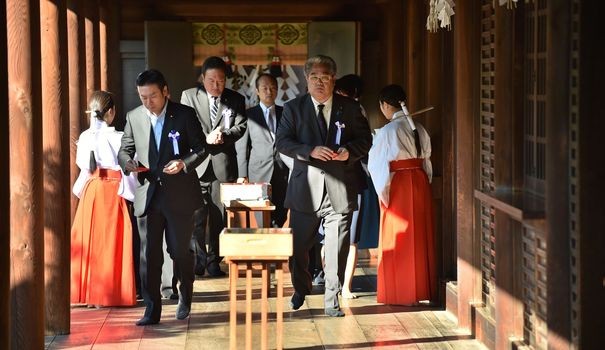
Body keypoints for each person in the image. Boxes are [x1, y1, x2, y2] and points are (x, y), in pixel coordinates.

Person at [276, 55, 372, 317]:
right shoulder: (293, 108)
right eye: (315, 77)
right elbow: (282, 143)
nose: (320, 82)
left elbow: (365, 141)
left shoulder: (350, 108)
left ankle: (332, 298)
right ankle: (301, 287)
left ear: (334, 79)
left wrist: (348, 152)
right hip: (304, 190)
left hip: (339, 189)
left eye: (325, 77)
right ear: (307, 80)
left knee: (336, 249)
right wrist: (310, 151)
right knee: (298, 250)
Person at [118, 69, 207, 326]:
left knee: (180, 251)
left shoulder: (184, 114)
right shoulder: (134, 117)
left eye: (153, 96)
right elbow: (125, 149)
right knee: (150, 255)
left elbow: (201, 148)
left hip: (179, 194)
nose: (148, 102)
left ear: (165, 91)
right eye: (143, 97)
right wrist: (128, 164)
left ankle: (185, 294)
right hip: (148, 195)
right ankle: (151, 308)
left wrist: (183, 163)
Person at [367, 84, 437, 305]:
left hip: (398, 184)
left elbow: (376, 165)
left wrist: (383, 193)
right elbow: (427, 162)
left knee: (398, 236)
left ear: (385, 105)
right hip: (419, 181)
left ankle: (401, 291)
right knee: (418, 233)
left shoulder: (388, 131)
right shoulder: (418, 127)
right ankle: (420, 288)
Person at [181, 56, 247, 277]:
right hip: (197, 164)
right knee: (196, 216)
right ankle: (198, 259)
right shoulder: (189, 96)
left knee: (219, 216)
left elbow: (241, 126)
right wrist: (204, 138)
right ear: (202, 78)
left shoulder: (235, 99)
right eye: (211, 80)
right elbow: (184, 127)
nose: (216, 85)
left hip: (222, 164)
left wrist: (224, 135)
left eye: (220, 81)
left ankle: (213, 261)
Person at [71, 90, 137, 307]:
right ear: (111, 112)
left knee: (90, 241)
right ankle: (107, 293)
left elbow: (83, 166)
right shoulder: (119, 138)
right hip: (111, 189)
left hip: (92, 188)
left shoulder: (84, 137)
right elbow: (128, 167)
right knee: (108, 241)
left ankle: (90, 294)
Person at [235, 73, 289, 227]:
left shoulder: (285, 113)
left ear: (277, 90)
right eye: (264, 88)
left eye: (272, 88)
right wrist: (242, 174)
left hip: (281, 171)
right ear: (257, 91)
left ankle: (276, 249)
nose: (269, 91)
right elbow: (242, 147)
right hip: (258, 172)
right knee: (259, 215)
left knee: (280, 214)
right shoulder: (248, 115)